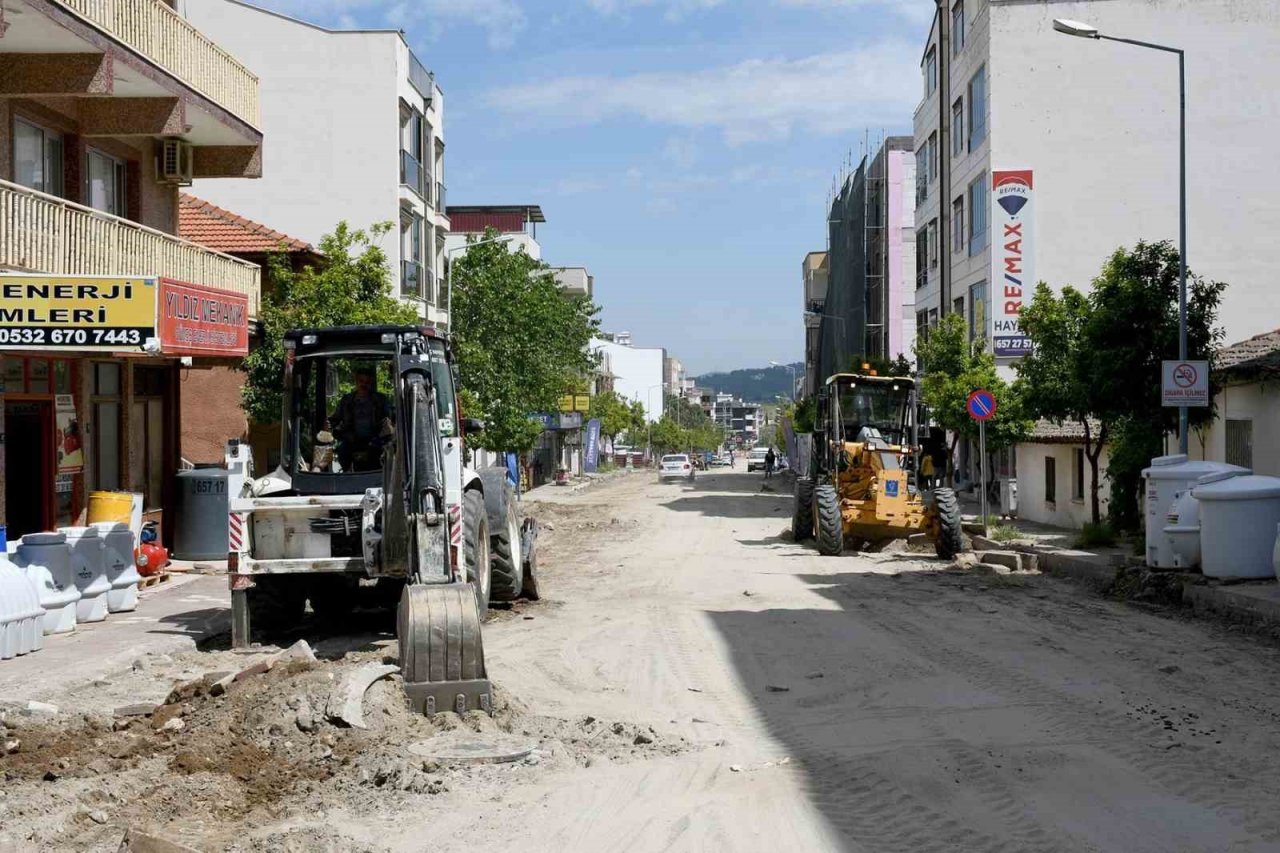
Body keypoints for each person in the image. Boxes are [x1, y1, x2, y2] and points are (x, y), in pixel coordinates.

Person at [328, 367, 391, 471]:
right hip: (352, 440)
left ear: (371, 383)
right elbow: (335, 419)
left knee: (381, 454)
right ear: (356, 381)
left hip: (375, 440)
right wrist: (329, 426)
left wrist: (382, 435)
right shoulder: (346, 400)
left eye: (367, 382)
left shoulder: (380, 400)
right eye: (361, 381)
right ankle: (347, 474)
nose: (364, 385)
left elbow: (388, 421)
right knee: (343, 451)